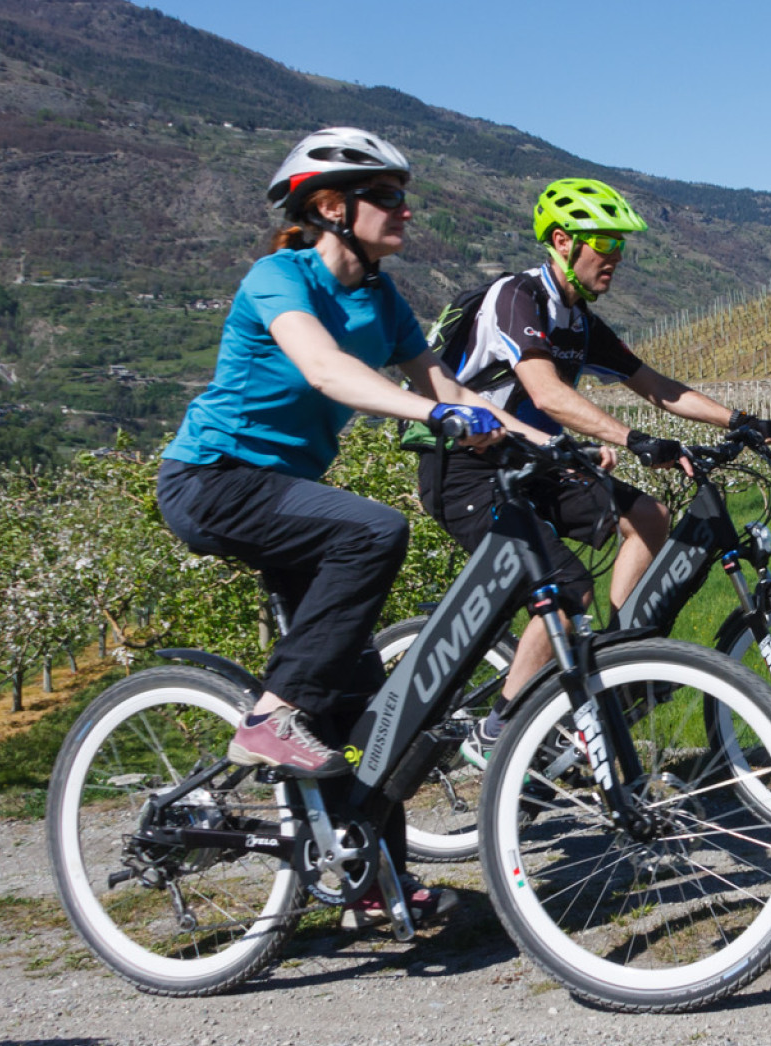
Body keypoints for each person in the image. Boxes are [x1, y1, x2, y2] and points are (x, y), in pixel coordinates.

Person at [156, 127, 525, 787]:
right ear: (332, 207)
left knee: (359, 712)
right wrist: (437, 415)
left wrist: (551, 443)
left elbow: (445, 384)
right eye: (386, 195)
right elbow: (326, 369)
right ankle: (268, 719)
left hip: (283, 497)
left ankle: (373, 882)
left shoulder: (381, 299)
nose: (405, 210)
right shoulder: (278, 277)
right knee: (377, 529)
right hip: (211, 480)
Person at [417, 178, 771, 748]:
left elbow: (654, 384)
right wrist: (634, 440)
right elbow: (546, 393)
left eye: (620, 247)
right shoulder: (518, 298)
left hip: (533, 460)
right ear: (563, 242)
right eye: (606, 244)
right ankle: (499, 730)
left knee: (650, 517)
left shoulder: (579, 319)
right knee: (567, 589)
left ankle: (613, 660)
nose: (616, 259)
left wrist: (737, 420)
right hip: (465, 467)